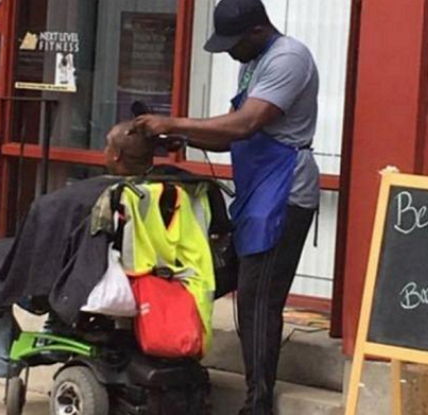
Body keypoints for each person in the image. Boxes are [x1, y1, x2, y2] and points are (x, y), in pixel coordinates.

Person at [133, 0, 320, 412]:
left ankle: (258, 403)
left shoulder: (288, 58)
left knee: (258, 302)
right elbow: (226, 136)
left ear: (257, 31)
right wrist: (180, 139)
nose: (229, 52)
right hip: (257, 193)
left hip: (284, 194)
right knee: (210, 277)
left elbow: (245, 124)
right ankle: (170, 365)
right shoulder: (251, 62)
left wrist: (174, 122)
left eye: (233, 43)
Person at [0, 121, 154, 377]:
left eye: (107, 145)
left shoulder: (75, 199)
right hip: (132, 266)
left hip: (85, 275)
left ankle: (0, 358)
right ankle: (59, 325)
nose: (104, 150)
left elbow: (37, 247)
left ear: (116, 155)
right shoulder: (161, 189)